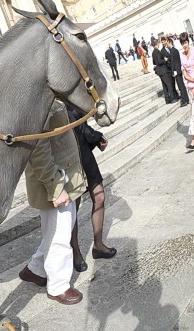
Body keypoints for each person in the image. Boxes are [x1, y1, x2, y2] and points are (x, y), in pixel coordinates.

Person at [18, 101, 85, 305]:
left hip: (65, 174)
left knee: (56, 231)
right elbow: (38, 148)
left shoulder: (47, 92)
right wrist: (56, 187)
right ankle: (58, 286)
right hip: (56, 180)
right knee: (59, 236)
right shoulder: (36, 100)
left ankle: (36, 269)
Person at [67, 106, 117, 272]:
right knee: (74, 205)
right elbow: (72, 124)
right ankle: (75, 251)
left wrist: (96, 137)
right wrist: (94, 136)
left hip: (85, 154)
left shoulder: (72, 95)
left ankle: (98, 245)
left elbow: (81, 124)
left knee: (100, 197)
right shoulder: (56, 99)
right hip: (69, 159)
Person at [180, 33, 194, 149]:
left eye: (185, 43)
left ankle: (193, 140)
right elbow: (184, 74)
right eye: (182, 44)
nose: (184, 45)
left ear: (188, 42)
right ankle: (193, 140)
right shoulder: (182, 55)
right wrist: (190, 80)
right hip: (190, 86)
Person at [167, 37, 189, 107]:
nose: (167, 45)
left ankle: (184, 100)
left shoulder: (172, 51)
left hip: (176, 70)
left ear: (170, 43)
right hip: (179, 70)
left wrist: (173, 71)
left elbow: (173, 61)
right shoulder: (175, 50)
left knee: (180, 86)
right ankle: (186, 98)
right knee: (182, 85)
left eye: (167, 43)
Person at [154, 37, 177, 104]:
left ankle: (167, 99)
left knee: (164, 85)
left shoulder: (153, 52)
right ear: (157, 44)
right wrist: (165, 59)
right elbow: (159, 61)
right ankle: (172, 98)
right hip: (163, 70)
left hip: (159, 71)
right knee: (169, 84)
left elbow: (154, 62)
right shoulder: (158, 51)